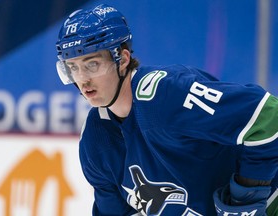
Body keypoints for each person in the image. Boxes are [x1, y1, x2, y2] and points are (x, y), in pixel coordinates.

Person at [55, 4, 278, 216]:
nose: (82, 79)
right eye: (73, 67)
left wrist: (245, 197)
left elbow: (269, 116)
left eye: (92, 64)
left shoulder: (166, 94)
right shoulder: (96, 140)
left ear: (122, 59)